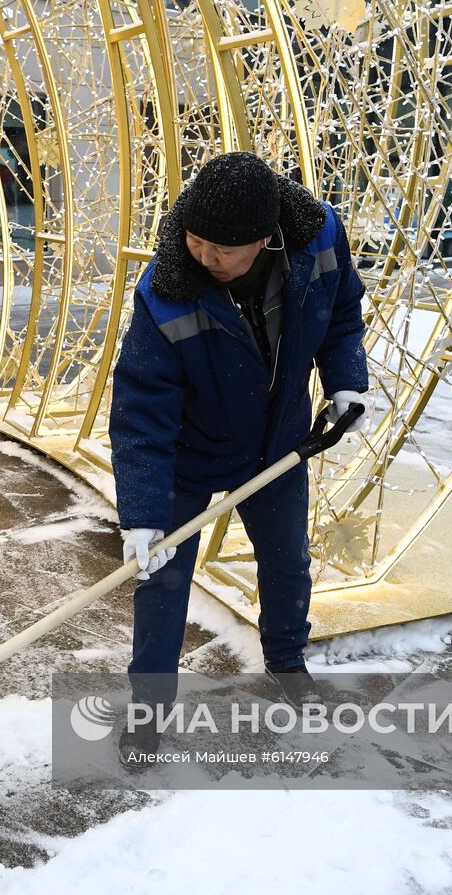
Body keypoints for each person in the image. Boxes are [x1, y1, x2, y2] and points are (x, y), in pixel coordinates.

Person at [108, 152, 368, 767]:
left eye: (222, 248)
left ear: (266, 238)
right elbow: (142, 407)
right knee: (161, 582)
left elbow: (340, 317)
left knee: (286, 565)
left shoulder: (319, 240)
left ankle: (287, 660)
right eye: (195, 239)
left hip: (277, 446)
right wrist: (143, 512)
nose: (204, 256)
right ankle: (148, 711)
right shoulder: (166, 293)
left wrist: (346, 382)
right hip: (187, 458)